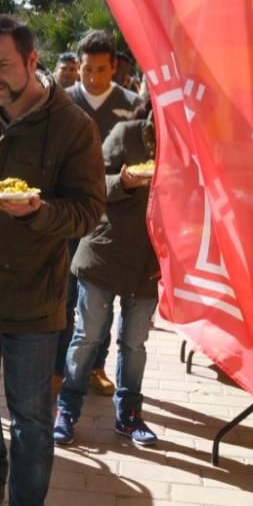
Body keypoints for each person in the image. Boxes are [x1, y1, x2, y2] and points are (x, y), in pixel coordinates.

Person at [0, 15, 104, 506]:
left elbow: (89, 211)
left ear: (31, 60)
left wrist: (38, 211)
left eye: (2, 65)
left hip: (34, 299)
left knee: (30, 416)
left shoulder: (72, 126)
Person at [54, 102, 160, 448]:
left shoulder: (189, 147)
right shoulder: (128, 133)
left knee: (134, 343)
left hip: (149, 261)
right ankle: (67, 410)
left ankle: (129, 415)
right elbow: (93, 182)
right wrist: (125, 181)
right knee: (88, 336)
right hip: (105, 253)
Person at [59, 29, 142, 397]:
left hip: (111, 218)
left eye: (101, 70)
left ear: (115, 69)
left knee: (100, 298)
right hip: (66, 210)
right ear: (78, 68)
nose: (93, 78)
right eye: (87, 70)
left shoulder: (130, 104)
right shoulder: (61, 101)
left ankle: (96, 366)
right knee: (63, 291)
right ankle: (60, 365)